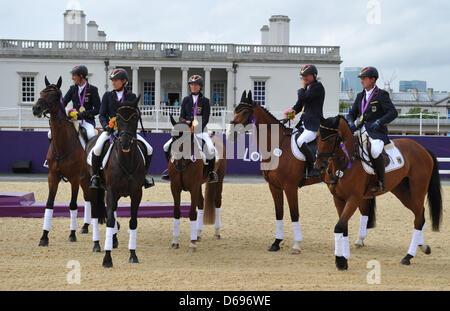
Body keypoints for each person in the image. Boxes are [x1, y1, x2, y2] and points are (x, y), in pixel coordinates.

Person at [89, 68, 155, 189]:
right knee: (97, 148)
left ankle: (143, 176)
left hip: (128, 131)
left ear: (124, 81)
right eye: (112, 80)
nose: (113, 83)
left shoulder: (131, 96)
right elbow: (102, 114)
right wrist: (106, 126)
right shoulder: (107, 95)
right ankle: (95, 177)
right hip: (111, 130)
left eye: (116, 80)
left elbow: (135, 114)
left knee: (149, 149)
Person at [347, 66, 398, 192]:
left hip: (377, 132)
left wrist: (380, 121)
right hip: (360, 130)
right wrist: (350, 122)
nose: (361, 81)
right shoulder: (360, 96)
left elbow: (393, 112)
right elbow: (352, 113)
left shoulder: (382, 95)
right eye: (361, 78)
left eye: (364, 78)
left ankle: (381, 181)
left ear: (372, 80)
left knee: (375, 151)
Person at [161, 75, 218, 183]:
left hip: (200, 131)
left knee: (211, 149)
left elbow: (205, 118)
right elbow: (182, 116)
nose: (193, 86)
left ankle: (210, 174)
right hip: (185, 131)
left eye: (195, 84)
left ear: (200, 86)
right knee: (166, 147)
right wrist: (185, 124)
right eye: (191, 84)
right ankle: (170, 170)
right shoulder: (186, 100)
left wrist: (194, 125)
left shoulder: (205, 101)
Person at [44, 65, 101, 168]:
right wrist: (52, 105)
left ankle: (90, 161)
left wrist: (83, 114)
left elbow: (98, 109)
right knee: (50, 133)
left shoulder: (92, 90)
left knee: (90, 134)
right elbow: (63, 103)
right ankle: (51, 158)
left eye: (74, 75)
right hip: (73, 120)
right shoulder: (72, 89)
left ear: (81, 76)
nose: (72, 78)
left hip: (87, 121)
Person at [285, 64, 325, 178]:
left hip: (313, 125)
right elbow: (298, 106)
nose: (304, 78)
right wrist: (288, 116)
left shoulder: (318, 87)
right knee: (288, 138)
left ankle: (312, 168)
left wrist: (302, 88)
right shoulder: (308, 89)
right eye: (303, 76)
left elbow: (303, 98)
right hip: (303, 123)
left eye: (307, 75)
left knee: (300, 141)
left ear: (314, 75)